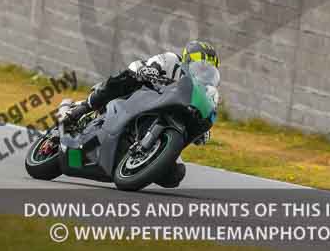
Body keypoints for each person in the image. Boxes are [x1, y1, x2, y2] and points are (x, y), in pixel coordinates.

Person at [62, 40, 220, 188]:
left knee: (175, 175)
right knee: (125, 79)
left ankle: (140, 163)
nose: (204, 70)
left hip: (167, 121)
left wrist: (203, 129)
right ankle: (82, 108)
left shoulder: (207, 91)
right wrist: (149, 69)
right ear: (188, 60)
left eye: (208, 69)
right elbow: (146, 65)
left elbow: (206, 110)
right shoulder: (172, 61)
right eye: (201, 65)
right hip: (139, 97)